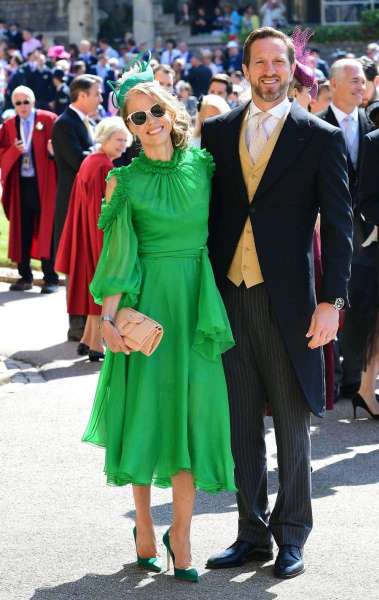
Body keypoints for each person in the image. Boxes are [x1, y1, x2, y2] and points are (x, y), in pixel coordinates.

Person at [202, 26, 353, 578]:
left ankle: (291, 535)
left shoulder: (319, 137)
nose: (268, 71)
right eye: (258, 62)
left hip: (291, 304)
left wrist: (333, 301)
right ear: (244, 69)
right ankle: (251, 533)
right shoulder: (216, 132)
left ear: (292, 68)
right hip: (229, 299)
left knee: (292, 424)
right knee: (240, 423)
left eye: (278, 62)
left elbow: (338, 229)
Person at [82, 56, 236, 582]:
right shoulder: (123, 181)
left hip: (196, 304)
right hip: (147, 308)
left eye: (153, 112)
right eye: (135, 118)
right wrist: (108, 317)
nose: (147, 124)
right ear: (127, 126)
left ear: (171, 113)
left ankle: (184, 534)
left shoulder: (205, 167)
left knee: (192, 417)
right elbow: (117, 256)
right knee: (147, 416)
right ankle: (145, 527)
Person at [318, 59, 374, 401]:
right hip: (326, 227)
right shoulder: (314, 126)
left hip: (367, 232)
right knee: (330, 299)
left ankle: (356, 379)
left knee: (362, 303)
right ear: (333, 85)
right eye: (352, 80)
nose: (360, 86)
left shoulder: (372, 125)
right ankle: (333, 377)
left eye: (363, 81)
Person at [55, 117, 130, 360]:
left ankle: (89, 340)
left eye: (125, 141)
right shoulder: (103, 167)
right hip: (96, 235)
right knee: (103, 286)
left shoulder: (92, 161)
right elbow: (102, 211)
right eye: (119, 140)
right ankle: (97, 344)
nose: (123, 145)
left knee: (94, 287)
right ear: (106, 137)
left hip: (86, 233)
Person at [52, 74, 102, 341]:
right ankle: (77, 325)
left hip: (87, 206)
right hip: (73, 207)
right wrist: (102, 151)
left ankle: (88, 326)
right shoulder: (64, 124)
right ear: (81, 95)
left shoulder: (86, 121)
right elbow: (75, 159)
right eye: (97, 93)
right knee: (75, 266)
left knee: (88, 265)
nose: (101, 98)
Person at [0, 85, 59, 293]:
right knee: (22, 230)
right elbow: (1, 154)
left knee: (47, 230)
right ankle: (25, 277)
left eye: (26, 101)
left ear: (33, 102)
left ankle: (50, 278)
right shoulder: (8, 126)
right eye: (18, 103)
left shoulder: (49, 119)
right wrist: (13, 152)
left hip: (45, 184)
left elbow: (62, 149)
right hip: (21, 185)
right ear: (13, 105)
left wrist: (53, 153)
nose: (23, 106)